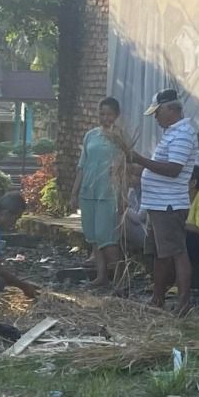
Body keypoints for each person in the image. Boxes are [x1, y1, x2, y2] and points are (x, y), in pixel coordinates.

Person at [128, 89, 199, 316]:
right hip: (158, 204)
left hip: (169, 204)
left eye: (157, 113)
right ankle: (157, 298)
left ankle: (183, 303)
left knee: (177, 252)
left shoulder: (183, 134)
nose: (156, 118)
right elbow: (159, 168)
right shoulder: (171, 133)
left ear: (170, 109)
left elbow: (173, 170)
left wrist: (140, 160)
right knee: (160, 254)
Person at [70, 96, 126, 287]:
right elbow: (82, 166)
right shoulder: (91, 135)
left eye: (109, 114)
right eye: (102, 114)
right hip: (88, 192)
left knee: (107, 238)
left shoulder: (120, 138)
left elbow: (123, 169)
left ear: (116, 115)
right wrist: (74, 193)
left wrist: (122, 198)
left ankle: (120, 279)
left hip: (108, 193)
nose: (105, 118)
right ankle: (101, 276)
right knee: (93, 236)